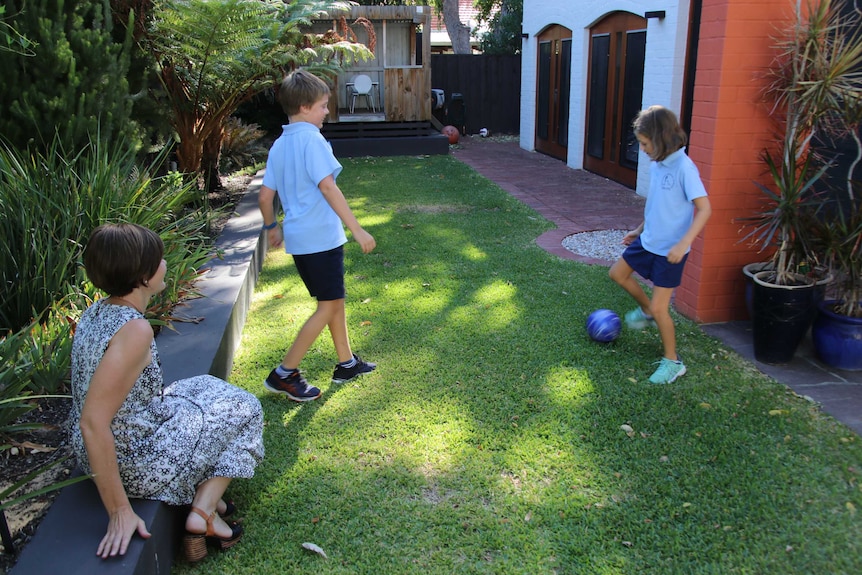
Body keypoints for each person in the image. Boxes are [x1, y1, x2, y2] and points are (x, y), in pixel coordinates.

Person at [70, 223, 264, 562]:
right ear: (143, 276)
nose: (165, 265)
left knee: (204, 388)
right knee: (247, 408)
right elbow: (92, 422)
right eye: (159, 260)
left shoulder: (97, 311)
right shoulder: (134, 330)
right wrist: (119, 510)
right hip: (134, 457)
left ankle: (205, 498)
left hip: (118, 438)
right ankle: (203, 514)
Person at [258, 69, 377, 402]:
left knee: (333, 301)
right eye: (324, 106)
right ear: (307, 107)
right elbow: (328, 186)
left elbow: (265, 198)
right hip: (321, 240)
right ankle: (285, 373)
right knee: (327, 306)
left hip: (301, 241)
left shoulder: (280, 145)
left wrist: (272, 229)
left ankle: (346, 363)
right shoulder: (312, 140)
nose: (327, 112)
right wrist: (357, 229)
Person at [609, 105, 712, 384]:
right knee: (617, 274)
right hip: (648, 241)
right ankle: (646, 311)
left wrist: (684, 243)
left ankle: (672, 362)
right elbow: (657, 206)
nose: (641, 149)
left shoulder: (684, 168)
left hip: (671, 251)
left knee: (660, 307)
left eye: (644, 143)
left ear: (660, 138)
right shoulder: (657, 164)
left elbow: (704, 209)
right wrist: (638, 230)